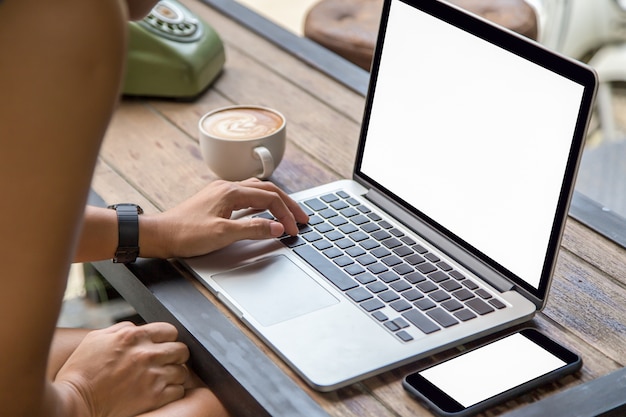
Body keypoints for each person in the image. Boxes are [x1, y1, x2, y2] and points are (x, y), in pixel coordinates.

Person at [0, 0, 309, 416]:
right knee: (246, 393)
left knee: (191, 366)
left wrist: (158, 231)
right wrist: (84, 398)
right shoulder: (69, 13)